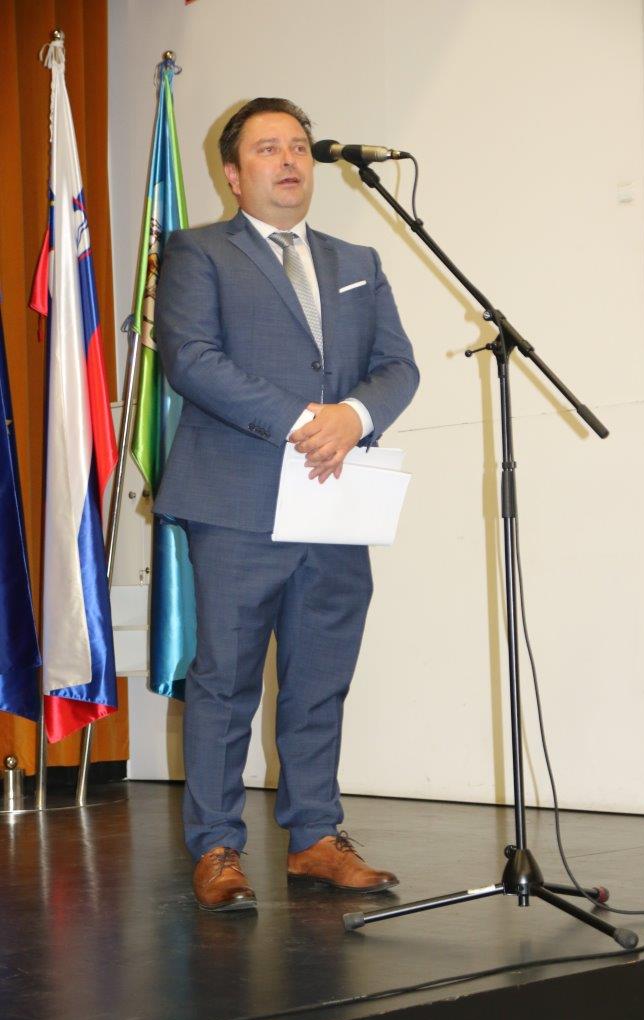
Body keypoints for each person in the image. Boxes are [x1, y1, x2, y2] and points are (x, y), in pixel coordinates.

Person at [155, 97, 419, 912]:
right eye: (268, 148)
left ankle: (315, 839)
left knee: (319, 679)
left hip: (336, 502)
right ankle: (217, 847)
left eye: (299, 146)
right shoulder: (197, 252)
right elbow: (191, 359)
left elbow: (398, 365)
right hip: (237, 498)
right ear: (233, 174)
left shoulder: (357, 259)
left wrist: (356, 416)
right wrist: (308, 422)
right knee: (226, 680)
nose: (290, 159)